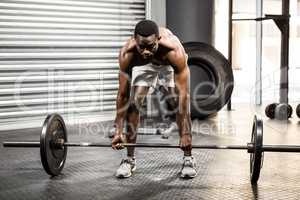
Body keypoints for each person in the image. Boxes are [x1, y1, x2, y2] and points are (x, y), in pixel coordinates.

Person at [111, 20, 197, 178]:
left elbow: (183, 95)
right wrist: (118, 129)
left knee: (177, 103)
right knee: (133, 104)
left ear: (158, 39)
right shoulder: (128, 54)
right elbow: (122, 95)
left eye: (150, 46)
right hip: (144, 66)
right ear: (134, 40)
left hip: (167, 64)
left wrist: (185, 134)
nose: (145, 52)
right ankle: (129, 160)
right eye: (141, 46)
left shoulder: (174, 51)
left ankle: (188, 158)